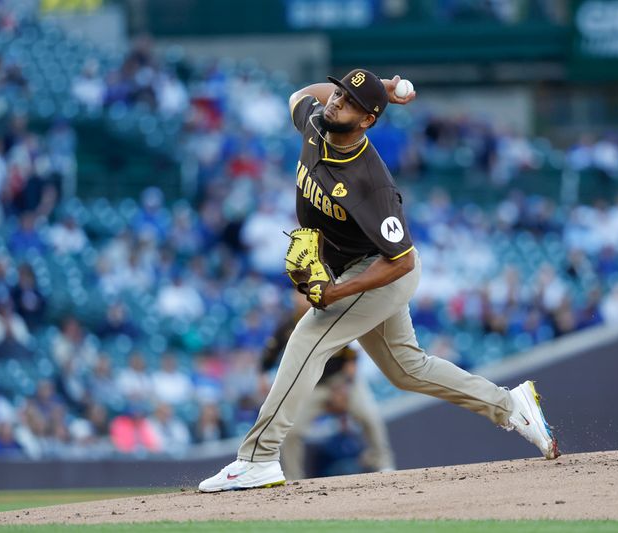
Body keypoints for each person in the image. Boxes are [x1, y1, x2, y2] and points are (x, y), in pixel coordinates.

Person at [198, 69, 559, 493]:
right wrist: (378, 89)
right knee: (408, 369)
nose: (336, 102)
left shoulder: (371, 182)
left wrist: (336, 292)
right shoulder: (316, 123)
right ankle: (511, 406)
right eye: (339, 93)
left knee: (308, 338)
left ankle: (258, 458)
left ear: (367, 120)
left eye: (349, 101)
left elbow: (401, 261)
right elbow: (300, 93)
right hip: (354, 266)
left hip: (379, 273)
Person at [262, 292, 394, 480]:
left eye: (305, 293)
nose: (303, 298)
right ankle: (293, 477)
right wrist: (263, 378)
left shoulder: (333, 316)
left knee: (369, 416)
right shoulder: (288, 326)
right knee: (291, 431)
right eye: (299, 293)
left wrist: (345, 387)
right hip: (311, 387)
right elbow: (267, 359)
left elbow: (353, 356)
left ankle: (383, 463)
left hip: (342, 381)